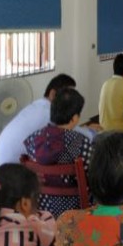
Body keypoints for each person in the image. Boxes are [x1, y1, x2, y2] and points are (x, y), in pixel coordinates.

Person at [24, 87, 93, 218]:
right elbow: (91, 177)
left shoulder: (33, 139)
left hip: (42, 206)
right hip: (75, 207)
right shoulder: (80, 141)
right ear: (74, 118)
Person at [0, 73, 76, 175]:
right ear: (52, 94)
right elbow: (73, 136)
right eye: (69, 97)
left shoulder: (36, 107)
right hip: (10, 177)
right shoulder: (49, 113)